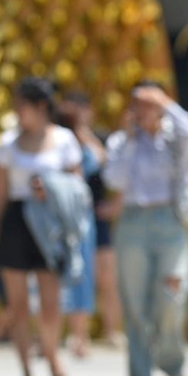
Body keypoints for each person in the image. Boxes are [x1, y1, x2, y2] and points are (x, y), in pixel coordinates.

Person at [103, 81, 188, 376]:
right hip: (134, 221)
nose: (145, 109)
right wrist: (132, 138)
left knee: (172, 296)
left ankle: (172, 360)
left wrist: (167, 105)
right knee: (134, 305)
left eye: (151, 103)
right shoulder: (123, 141)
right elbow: (114, 179)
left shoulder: (175, 138)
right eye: (139, 103)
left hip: (170, 221)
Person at [0, 77, 84, 376]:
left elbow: (77, 188)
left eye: (21, 106)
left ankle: (53, 356)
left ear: (40, 107)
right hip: (16, 221)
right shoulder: (8, 143)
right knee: (17, 306)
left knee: (50, 303)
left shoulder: (64, 140)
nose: (17, 113)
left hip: (48, 222)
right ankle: (26, 373)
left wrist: (52, 187)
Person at [58, 92, 124, 357]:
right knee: (71, 276)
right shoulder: (58, 139)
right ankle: (74, 334)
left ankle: (112, 331)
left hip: (95, 214)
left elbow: (109, 167)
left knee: (106, 276)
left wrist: (84, 135)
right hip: (65, 214)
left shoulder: (101, 138)